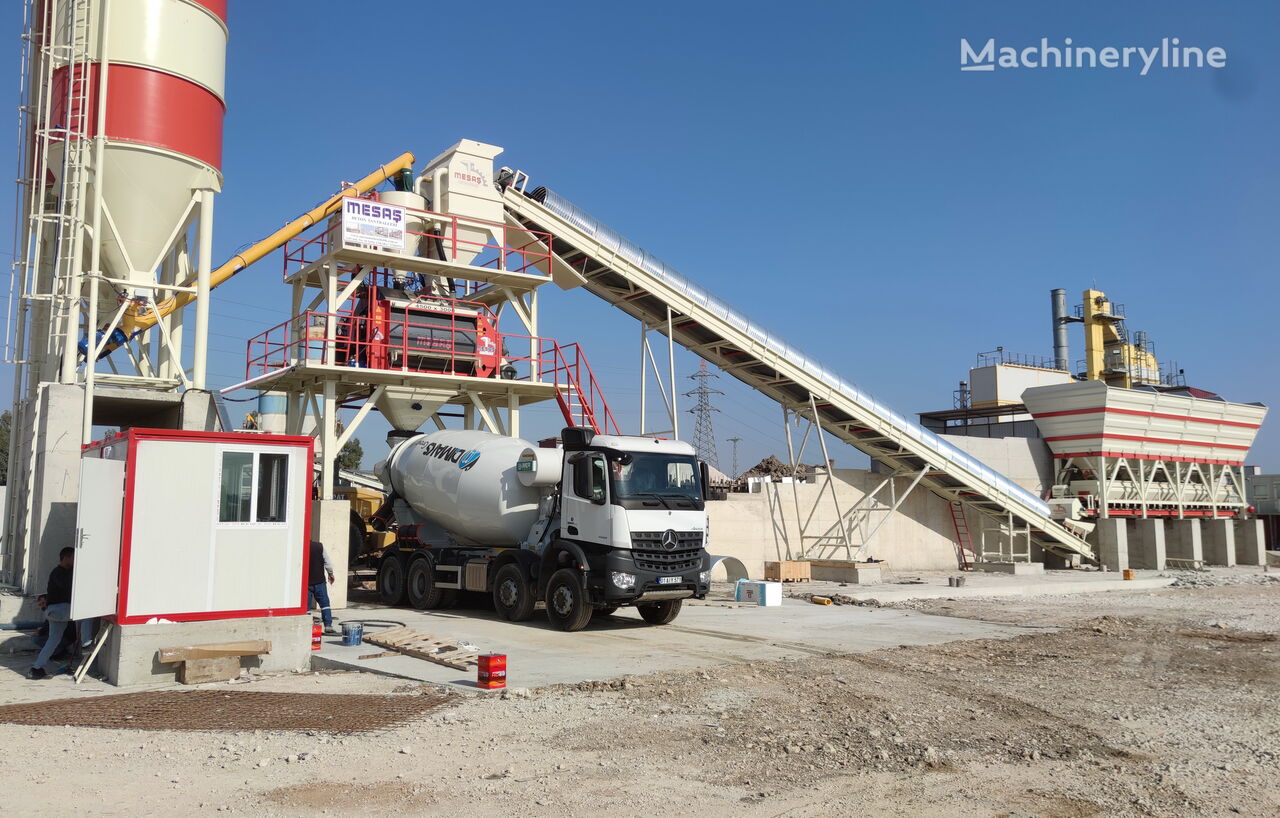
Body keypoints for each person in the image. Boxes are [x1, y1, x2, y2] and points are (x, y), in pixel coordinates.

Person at [30, 547, 74, 679]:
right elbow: (68, 587)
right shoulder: (58, 573)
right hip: (59, 609)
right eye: (73, 557)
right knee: (86, 613)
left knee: (53, 640)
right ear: (65, 558)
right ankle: (87, 643)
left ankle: (36, 668)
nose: (74, 561)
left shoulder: (66, 572)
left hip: (55, 612)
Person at [308, 540, 338, 635]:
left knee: (306, 607)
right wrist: (331, 574)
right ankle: (328, 626)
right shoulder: (319, 546)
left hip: (306, 582)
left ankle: (307, 627)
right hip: (319, 581)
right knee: (325, 604)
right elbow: (327, 561)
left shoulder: (300, 546)